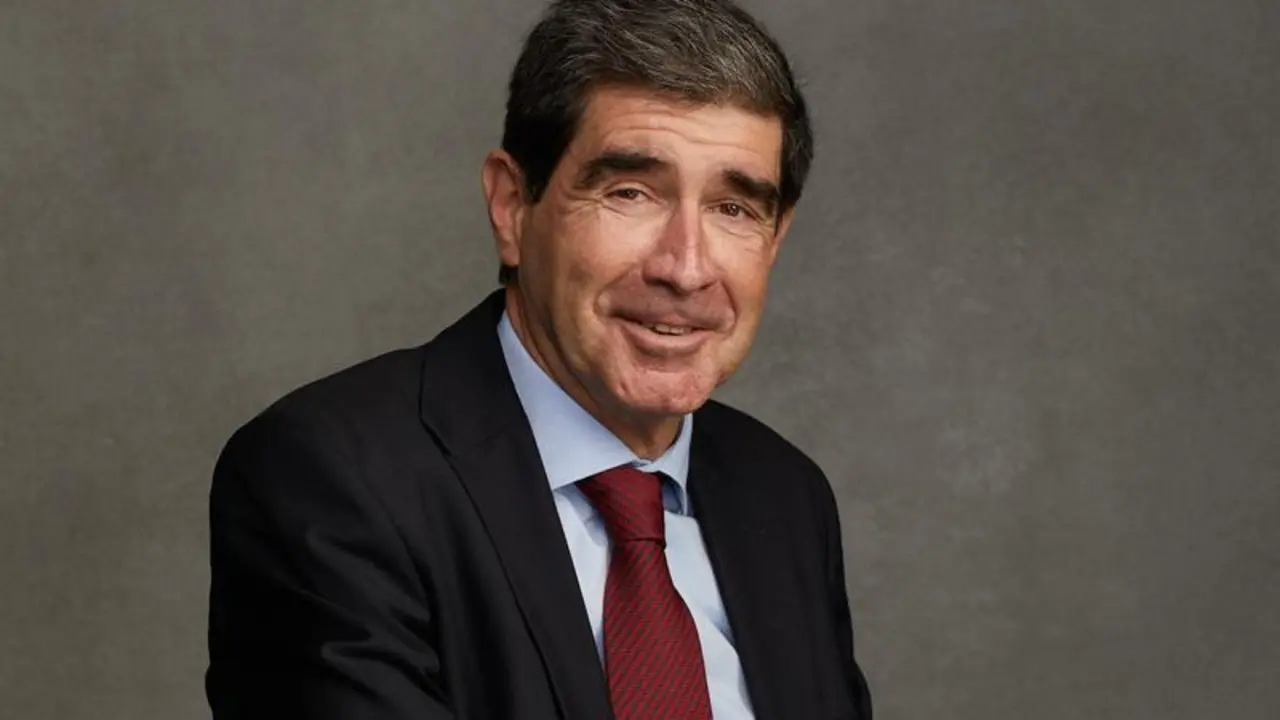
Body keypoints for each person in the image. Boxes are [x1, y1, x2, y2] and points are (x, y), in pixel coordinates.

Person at [206, 0, 873, 717]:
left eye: (734, 209)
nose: (686, 268)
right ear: (512, 206)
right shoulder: (334, 478)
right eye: (630, 193)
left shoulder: (784, 497)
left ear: (775, 237)